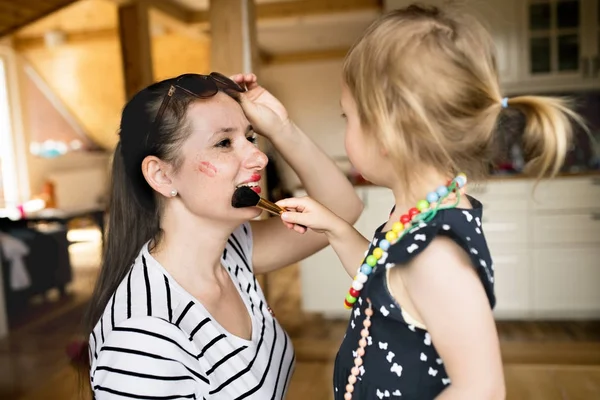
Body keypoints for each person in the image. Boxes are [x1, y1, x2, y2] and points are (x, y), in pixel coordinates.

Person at [276, 4, 585, 399]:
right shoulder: (418, 216)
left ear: (387, 132)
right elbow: (387, 286)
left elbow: (481, 389)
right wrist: (337, 230)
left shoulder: (436, 255)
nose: (345, 130)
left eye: (347, 117)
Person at [83, 72, 363, 399]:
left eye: (251, 137)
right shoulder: (141, 337)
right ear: (161, 175)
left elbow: (340, 212)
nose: (260, 158)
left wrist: (281, 128)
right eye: (224, 143)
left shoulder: (233, 252)